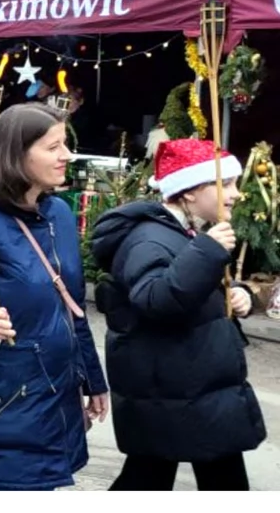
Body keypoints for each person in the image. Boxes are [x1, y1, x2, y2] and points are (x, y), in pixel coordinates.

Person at [0, 103, 109, 491]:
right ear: (17, 154)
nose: (66, 155)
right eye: (53, 147)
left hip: (57, 394)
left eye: (65, 144)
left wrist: (92, 379)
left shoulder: (60, 215)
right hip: (7, 401)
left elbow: (74, 308)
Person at [91, 139, 266, 490]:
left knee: (153, 477)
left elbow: (191, 289)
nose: (235, 194)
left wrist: (239, 294)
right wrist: (208, 250)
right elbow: (156, 298)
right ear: (188, 193)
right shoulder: (149, 240)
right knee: (167, 479)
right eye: (224, 184)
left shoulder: (184, 233)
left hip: (190, 387)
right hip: (176, 391)